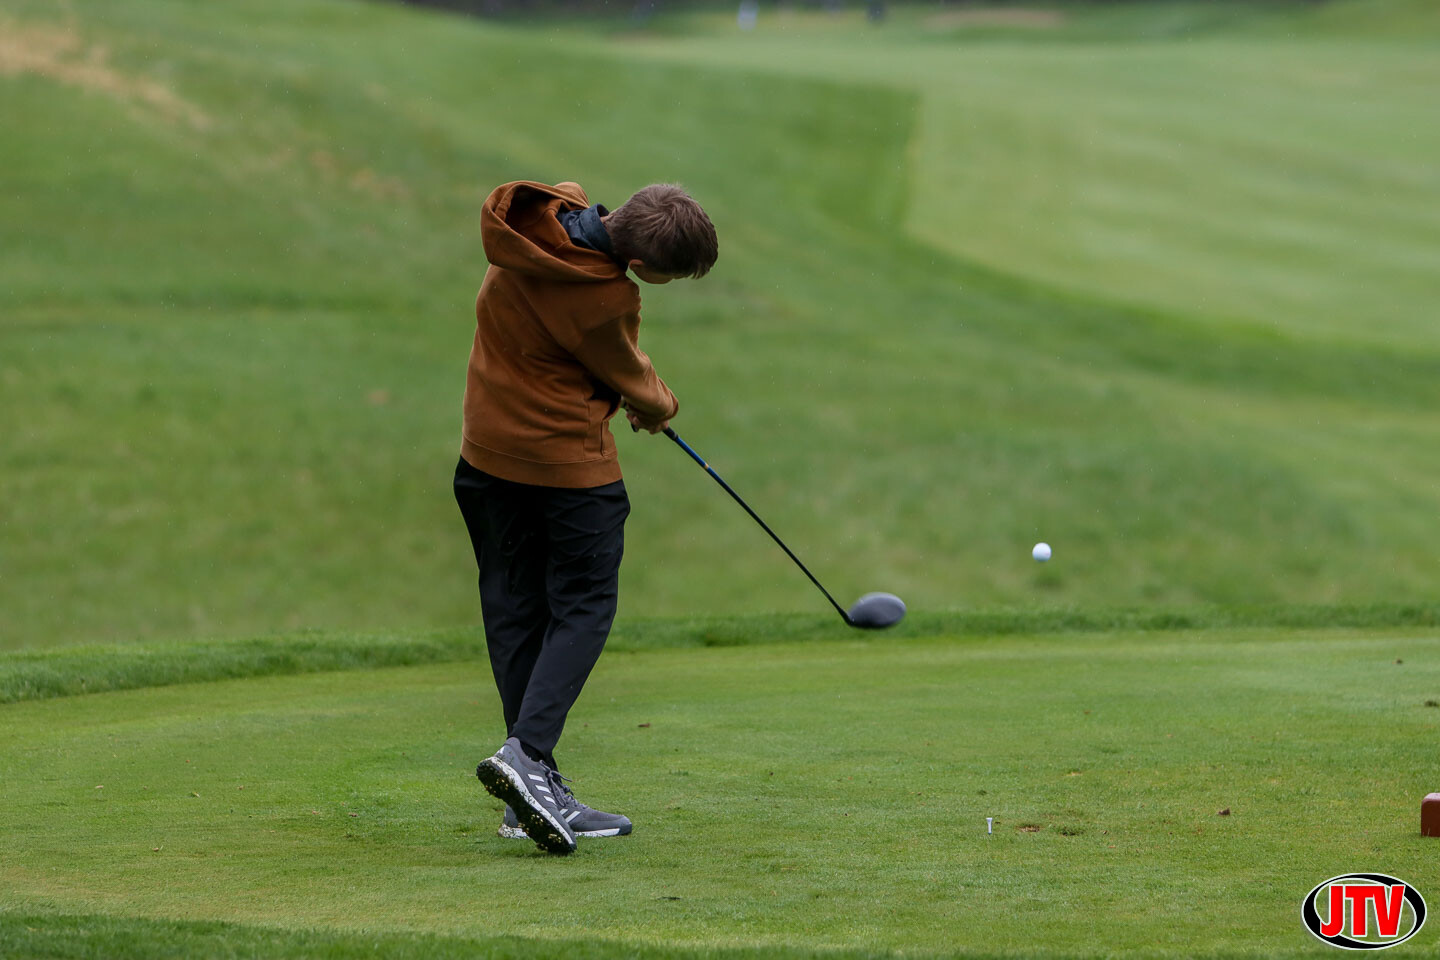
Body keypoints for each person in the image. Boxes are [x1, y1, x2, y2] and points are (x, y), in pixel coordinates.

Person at [456, 180, 718, 855]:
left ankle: (526, 792)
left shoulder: (532, 226)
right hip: (566, 474)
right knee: (585, 604)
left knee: (515, 609)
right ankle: (526, 755)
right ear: (641, 264)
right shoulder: (607, 298)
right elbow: (630, 375)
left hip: (484, 462)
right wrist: (658, 407)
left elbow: (576, 350)